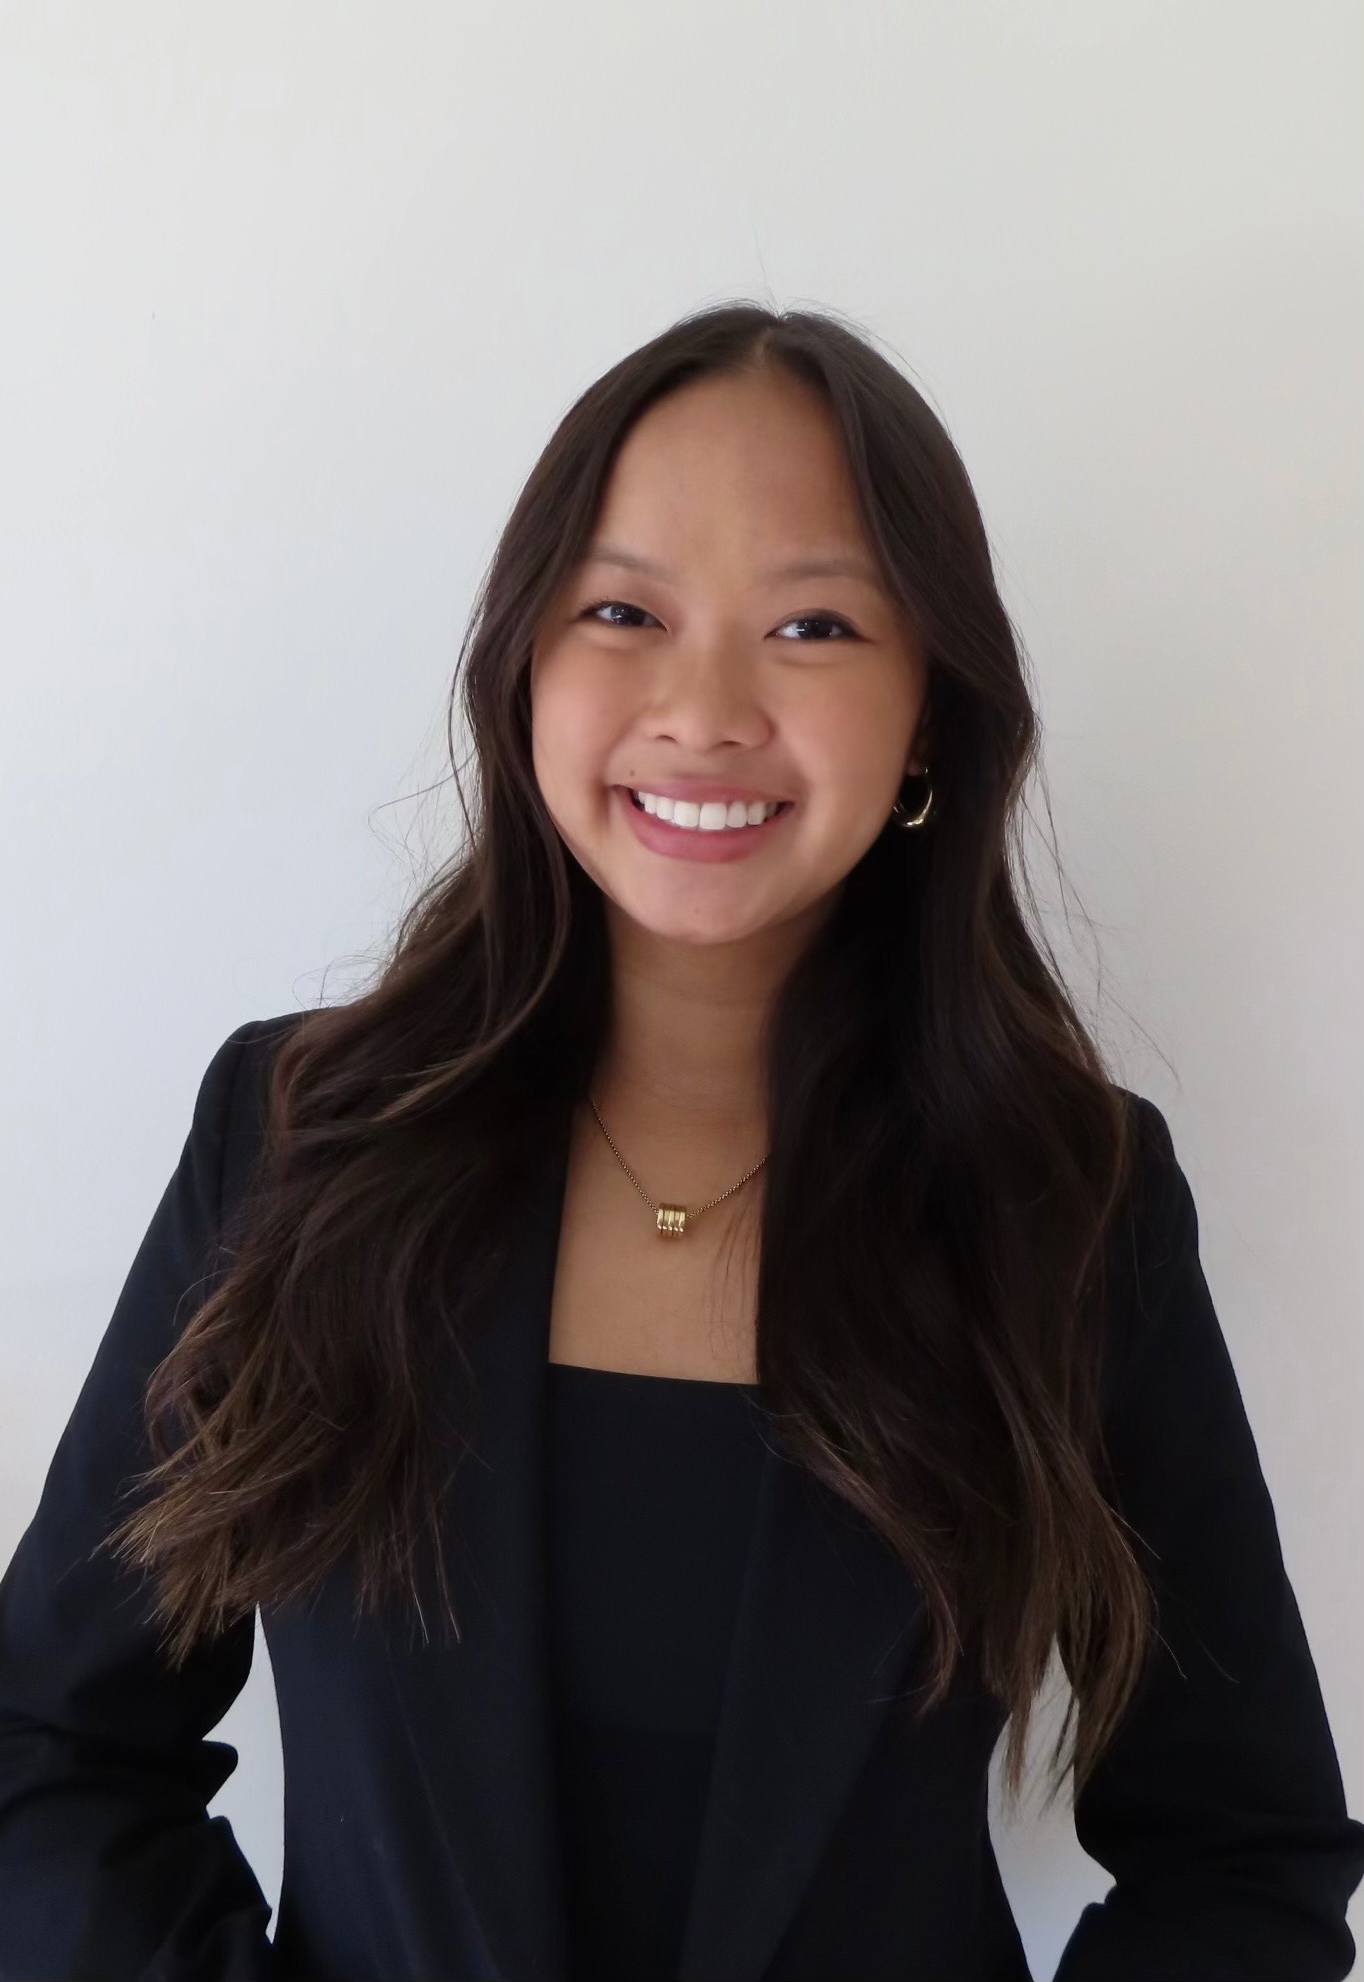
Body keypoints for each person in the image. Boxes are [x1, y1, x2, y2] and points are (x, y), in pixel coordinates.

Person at [1, 302, 1360, 1982]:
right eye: (625, 609)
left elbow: (1247, 1855)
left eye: (814, 624)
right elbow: (50, 1753)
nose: (706, 708)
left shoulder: (1065, 1202)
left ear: (930, 711)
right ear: (524, 667)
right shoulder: (296, 1146)